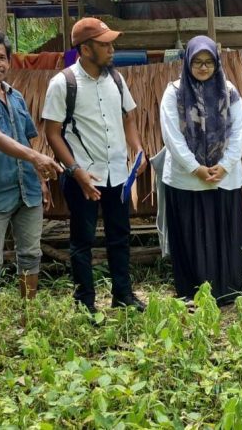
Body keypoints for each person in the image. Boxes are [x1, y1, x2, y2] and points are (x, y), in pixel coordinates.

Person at [0, 31, 63, 346]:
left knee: (30, 255)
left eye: (2, 57)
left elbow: (27, 139)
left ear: (9, 61)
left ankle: (28, 322)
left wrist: (41, 181)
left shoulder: (16, 96)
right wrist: (36, 157)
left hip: (26, 189)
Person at [43, 18, 147, 314]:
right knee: (82, 241)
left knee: (120, 236)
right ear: (86, 49)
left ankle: (123, 296)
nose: (112, 49)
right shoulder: (63, 83)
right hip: (83, 176)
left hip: (117, 174)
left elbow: (129, 117)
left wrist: (137, 149)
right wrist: (76, 172)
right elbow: (52, 133)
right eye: (105, 45)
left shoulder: (116, 79)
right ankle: (85, 302)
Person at [158, 36, 242, 306]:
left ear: (216, 62)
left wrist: (225, 165)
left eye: (208, 62)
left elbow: (238, 131)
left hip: (224, 177)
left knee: (224, 234)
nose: (203, 67)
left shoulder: (229, 91)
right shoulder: (174, 92)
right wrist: (195, 168)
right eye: (197, 61)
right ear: (187, 62)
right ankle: (193, 293)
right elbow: (171, 135)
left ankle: (229, 291)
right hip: (187, 179)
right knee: (191, 236)